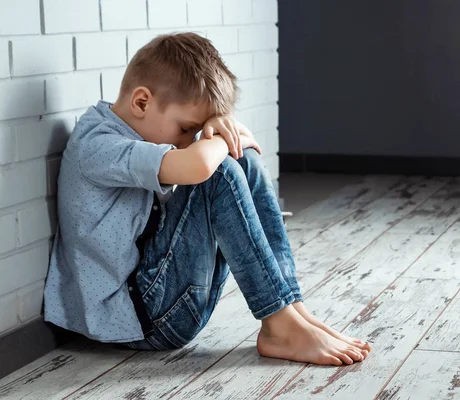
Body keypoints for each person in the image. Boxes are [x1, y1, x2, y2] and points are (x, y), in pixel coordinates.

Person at [43, 32, 371, 366]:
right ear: (142, 102)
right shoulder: (97, 145)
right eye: (187, 128)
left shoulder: (128, 130)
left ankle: (291, 310)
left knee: (243, 161)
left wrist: (217, 130)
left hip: (161, 298)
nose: (190, 140)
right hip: (142, 320)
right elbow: (200, 165)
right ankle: (279, 324)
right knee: (220, 170)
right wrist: (223, 135)